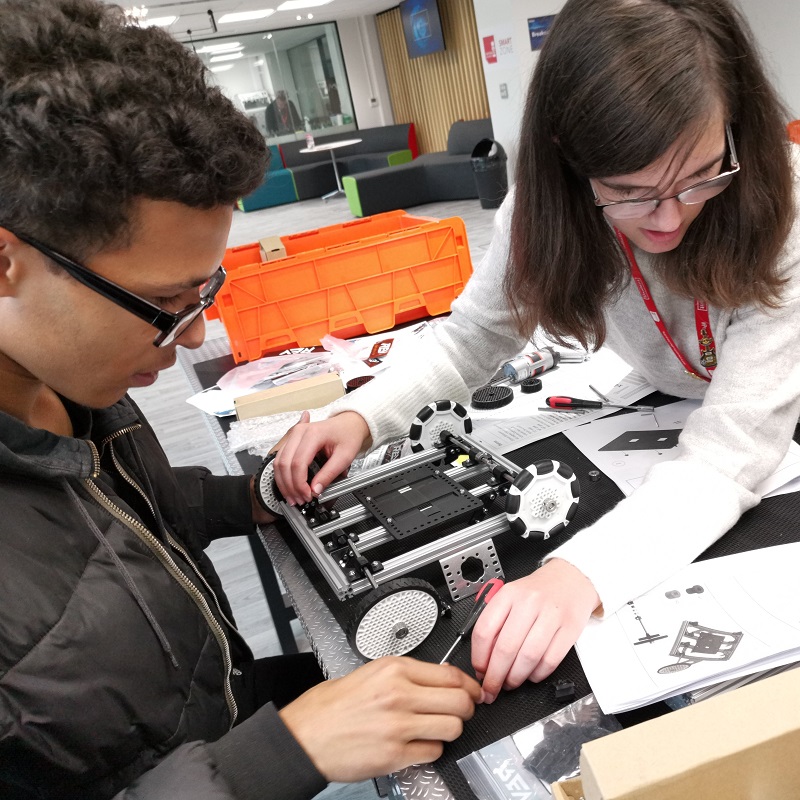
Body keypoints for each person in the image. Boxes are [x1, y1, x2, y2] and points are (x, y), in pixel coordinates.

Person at [0, 2, 482, 799]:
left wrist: (246, 497)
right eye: (165, 304)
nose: (191, 340)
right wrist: (278, 758)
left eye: (205, 295)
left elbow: (106, 530)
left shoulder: (64, 376)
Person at [273, 0, 800, 705]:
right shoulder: (543, 211)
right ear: (567, 156)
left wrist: (581, 574)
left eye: (702, 175)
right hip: (693, 413)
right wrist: (362, 416)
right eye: (630, 192)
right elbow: (471, 340)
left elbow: (730, 451)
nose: (670, 217)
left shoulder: (786, 202)